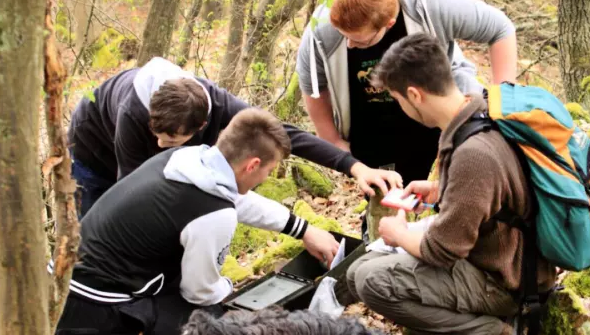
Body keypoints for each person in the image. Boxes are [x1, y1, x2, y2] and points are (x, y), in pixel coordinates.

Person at [53, 108, 341, 335]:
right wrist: (229, 286)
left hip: (64, 296)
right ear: (252, 165)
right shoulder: (213, 211)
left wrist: (303, 229)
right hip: (100, 311)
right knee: (208, 323)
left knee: (178, 300)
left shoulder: (187, 161)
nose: (265, 178)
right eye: (268, 172)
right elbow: (200, 293)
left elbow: (235, 199)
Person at [344, 33, 555, 335]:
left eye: (398, 99)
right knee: (356, 274)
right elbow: (495, 187)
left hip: (504, 280)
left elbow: (443, 250)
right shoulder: (479, 111)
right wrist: (441, 188)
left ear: (415, 95)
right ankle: (462, 325)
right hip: (505, 259)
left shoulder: (473, 153)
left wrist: (396, 233)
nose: (400, 107)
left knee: (369, 280)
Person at [68, 56, 400, 217]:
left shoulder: (217, 103)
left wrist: (355, 167)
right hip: (94, 151)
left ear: (202, 128)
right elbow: (132, 193)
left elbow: (283, 133)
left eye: (169, 142)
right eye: (158, 137)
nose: (159, 146)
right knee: (100, 229)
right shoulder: (133, 116)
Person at [296, 0, 518, 183]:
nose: (350, 45)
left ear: (388, 24)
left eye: (359, 41)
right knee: (384, 194)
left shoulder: (431, 3)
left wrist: (502, 104)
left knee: (446, 184)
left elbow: (500, 28)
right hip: (369, 123)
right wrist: (333, 141)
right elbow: (312, 84)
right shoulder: (322, 29)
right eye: (344, 37)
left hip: (432, 110)